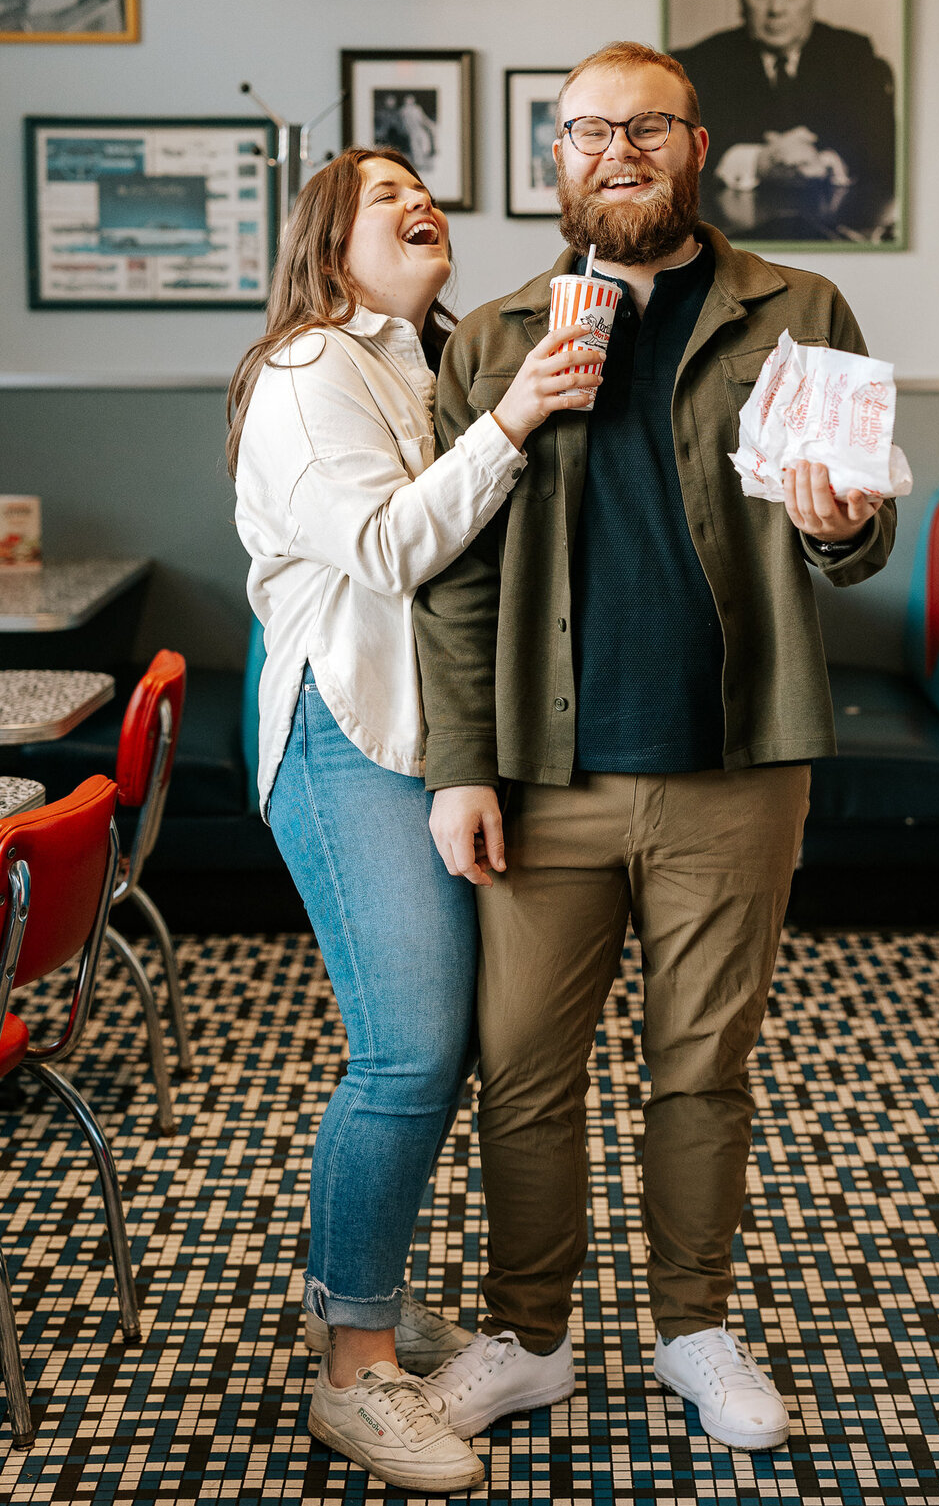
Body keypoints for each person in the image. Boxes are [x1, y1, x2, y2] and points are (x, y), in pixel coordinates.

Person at [411, 42, 896, 1452]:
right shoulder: (494, 339)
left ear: (697, 146)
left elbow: (858, 534)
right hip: (539, 778)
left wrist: (839, 526)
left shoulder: (798, 309)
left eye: (646, 128)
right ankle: (531, 1335)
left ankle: (694, 1325)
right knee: (524, 1070)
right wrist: (458, 766)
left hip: (735, 770)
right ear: (554, 159)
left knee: (703, 1065)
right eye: (585, 132)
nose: (615, 151)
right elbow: (454, 580)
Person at [227, 146, 600, 1493]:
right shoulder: (309, 367)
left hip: (424, 738)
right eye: (380, 195)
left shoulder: (426, 363)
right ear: (330, 250)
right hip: (341, 732)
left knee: (439, 1054)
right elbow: (387, 547)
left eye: (420, 185)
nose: (414, 200)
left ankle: (359, 1297)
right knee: (404, 1053)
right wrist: (515, 424)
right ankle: (354, 1375)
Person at [672, 0, 896, 242]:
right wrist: (758, 161)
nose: (776, 8)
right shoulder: (700, 62)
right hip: (731, 243)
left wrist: (826, 160)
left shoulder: (854, 56)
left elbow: (884, 149)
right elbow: (675, 159)